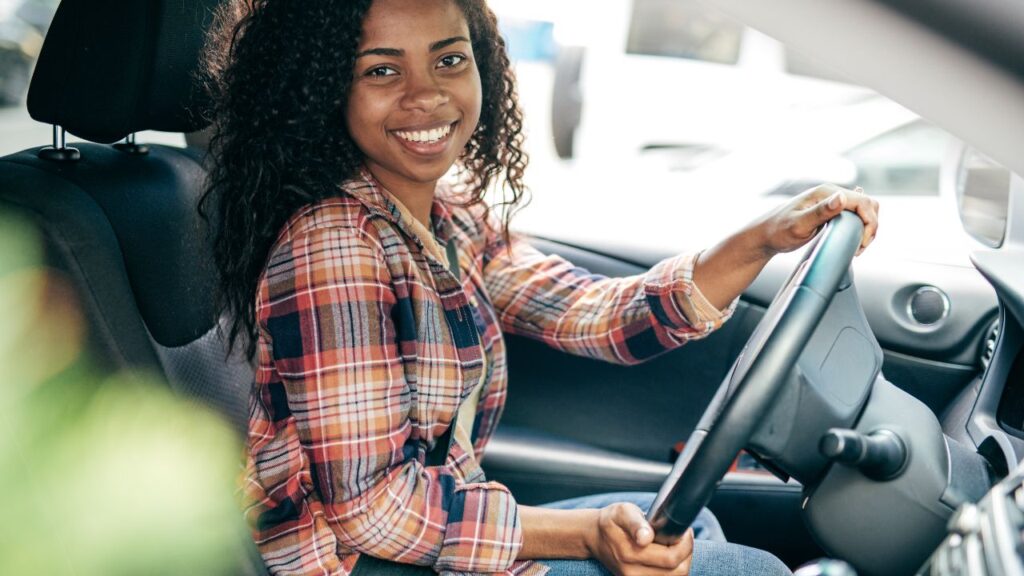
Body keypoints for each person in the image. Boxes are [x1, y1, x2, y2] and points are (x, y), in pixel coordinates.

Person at [200, 0, 880, 575]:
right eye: (381, 70)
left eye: (449, 59)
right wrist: (584, 538)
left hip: (415, 542)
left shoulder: (446, 217)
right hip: (355, 563)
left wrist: (762, 238)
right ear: (324, 89)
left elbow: (597, 314)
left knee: (688, 521)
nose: (427, 94)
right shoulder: (335, 244)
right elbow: (371, 511)